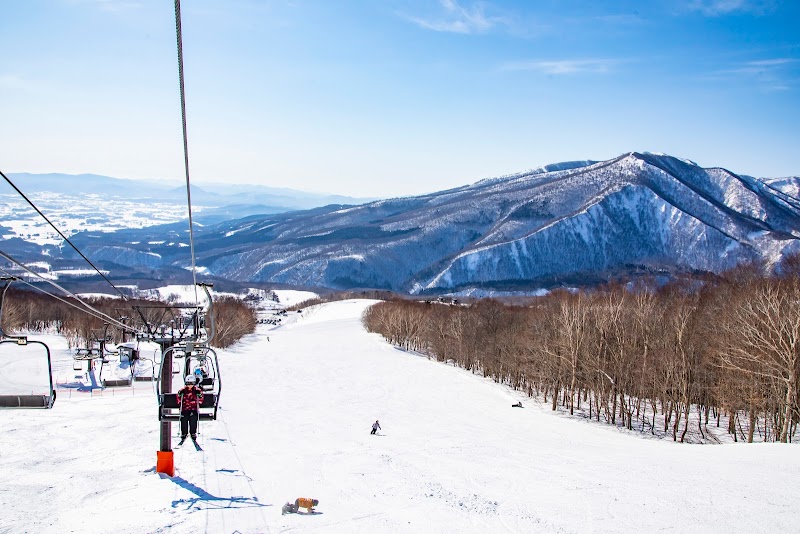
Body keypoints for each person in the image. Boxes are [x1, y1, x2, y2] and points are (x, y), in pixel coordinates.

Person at [177, 375, 204, 442]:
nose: (190, 385)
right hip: (185, 409)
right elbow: (178, 400)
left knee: (193, 418)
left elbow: (201, 400)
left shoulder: (197, 390)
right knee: (184, 418)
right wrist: (180, 395)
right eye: (188, 384)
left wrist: (199, 395)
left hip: (193, 409)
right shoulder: (183, 390)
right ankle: (184, 432)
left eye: (192, 384)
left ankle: (193, 432)